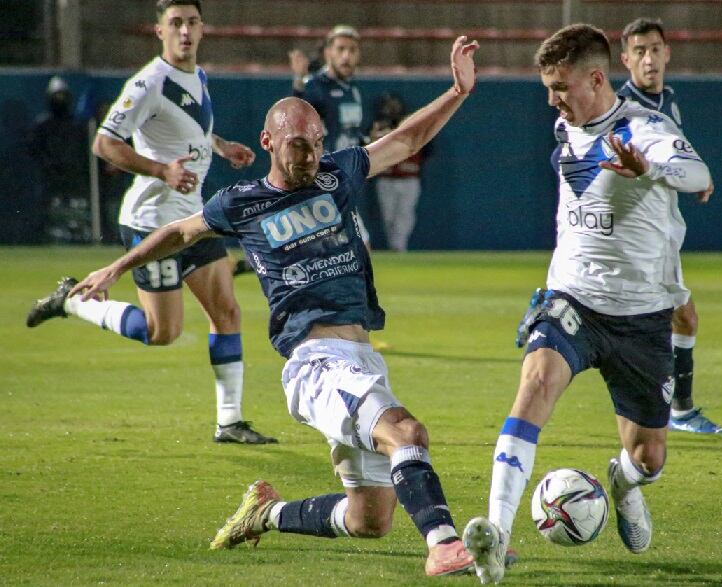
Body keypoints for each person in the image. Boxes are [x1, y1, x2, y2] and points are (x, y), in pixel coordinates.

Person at [67, 36, 481, 578]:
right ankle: (445, 543)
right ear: (268, 142)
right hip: (315, 363)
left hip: (359, 359)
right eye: (297, 146)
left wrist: (457, 91)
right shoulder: (242, 203)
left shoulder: (337, 173)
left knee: (369, 519)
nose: (308, 155)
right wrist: (117, 268)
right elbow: (178, 232)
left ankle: (265, 514)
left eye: (315, 143)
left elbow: (407, 139)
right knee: (406, 432)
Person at [462, 24, 712, 584]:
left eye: (559, 86)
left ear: (596, 79)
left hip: (642, 314)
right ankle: (496, 535)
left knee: (649, 458)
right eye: (548, 87)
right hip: (572, 297)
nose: (551, 99)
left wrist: (653, 169)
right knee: (535, 383)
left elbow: (698, 172)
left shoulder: (645, 128)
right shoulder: (566, 122)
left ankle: (621, 485)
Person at [25, 0, 275, 445]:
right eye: (175, 23)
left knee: (228, 312)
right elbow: (104, 143)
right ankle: (74, 302)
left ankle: (230, 421)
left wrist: (220, 146)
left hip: (193, 218)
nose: (185, 31)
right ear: (159, 31)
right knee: (163, 332)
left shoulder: (196, 76)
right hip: (151, 221)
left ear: (202, 29)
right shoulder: (148, 83)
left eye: (192, 22)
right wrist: (161, 171)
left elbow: (187, 130)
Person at [617, 17, 722, 434]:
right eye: (640, 51)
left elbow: (671, 157)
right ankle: (675, 412)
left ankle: (555, 305)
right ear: (625, 59)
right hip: (640, 234)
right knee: (674, 319)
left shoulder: (669, 101)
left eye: (655, 49)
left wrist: (697, 175)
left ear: (668, 53)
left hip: (660, 230)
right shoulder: (623, 110)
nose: (649, 59)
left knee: (678, 319)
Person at [290, 25, 372, 249]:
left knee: (324, 251)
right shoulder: (316, 86)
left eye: (352, 50)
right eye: (341, 49)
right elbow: (296, 121)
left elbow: (349, 133)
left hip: (344, 178)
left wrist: (367, 140)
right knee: (359, 247)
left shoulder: (352, 89)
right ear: (328, 53)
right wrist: (298, 84)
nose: (347, 55)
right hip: (322, 179)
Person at [27, 76, 92, 243]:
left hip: (75, 178)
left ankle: (81, 238)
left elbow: (84, 152)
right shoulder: (41, 125)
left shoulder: (78, 126)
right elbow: (34, 151)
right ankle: (43, 239)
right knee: (46, 211)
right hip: (48, 178)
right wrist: (50, 165)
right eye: (56, 96)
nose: (60, 100)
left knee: (78, 210)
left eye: (63, 96)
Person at [370, 93, 432, 252]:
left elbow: (428, 149)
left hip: (409, 178)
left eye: (395, 106)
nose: (392, 109)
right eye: (389, 106)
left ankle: (399, 247)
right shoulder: (378, 127)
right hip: (386, 178)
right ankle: (395, 246)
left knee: (404, 215)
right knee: (388, 216)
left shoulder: (413, 126)